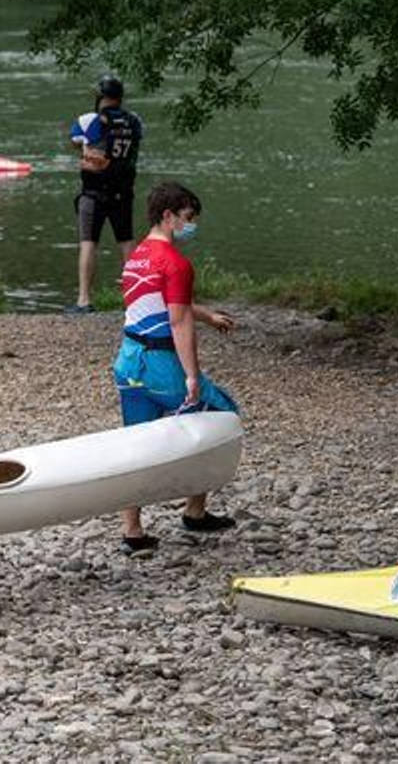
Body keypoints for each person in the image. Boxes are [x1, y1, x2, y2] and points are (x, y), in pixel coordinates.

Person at [113, 181, 239, 556]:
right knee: (221, 418)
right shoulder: (177, 262)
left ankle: (133, 533)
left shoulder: (138, 255)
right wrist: (191, 376)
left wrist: (208, 315)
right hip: (159, 365)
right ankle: (194, 510)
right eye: (187, 218)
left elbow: (164, 303)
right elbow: (178, 322)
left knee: (136, 446)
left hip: (127, 361)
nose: (190, 225)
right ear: (168, 216)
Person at [66, 74, 143, 314]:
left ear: (100, 96)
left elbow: (75, 143)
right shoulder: (135, 121)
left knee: (88, 243)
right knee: (126, 243)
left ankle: (84, 300)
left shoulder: (88, 120)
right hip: (123, 191)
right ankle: (136, 300)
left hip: (94, 192)